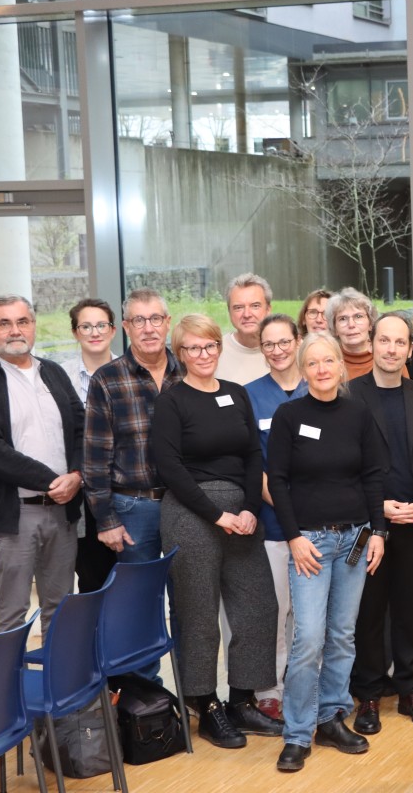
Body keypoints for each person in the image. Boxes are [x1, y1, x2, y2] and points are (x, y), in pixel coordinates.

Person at [150, 314, 280, 749]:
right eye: (191, 348)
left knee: (257, 605)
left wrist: (247, 508)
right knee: (199, 614)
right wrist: (215, 514)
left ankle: (243, 701)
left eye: (208, 346)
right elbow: (169, 466)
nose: (202, 355)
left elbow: (251, 455)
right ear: (179, 353)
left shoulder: (236, 394)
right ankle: (205, 707)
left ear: (218, 349)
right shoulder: (172, 400)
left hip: (242, 516)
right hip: (190, 513)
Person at [267, 333, 388, 771]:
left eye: (329, 361)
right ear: (303, 369)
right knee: (308, 639)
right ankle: (297, 734)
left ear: (341, 366)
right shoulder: (288, 415)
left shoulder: (358, 414)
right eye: (313, 363)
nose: (321, 369)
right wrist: (294, 537)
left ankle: (332, 717)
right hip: (311, 544)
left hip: (355, 540)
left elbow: (374, 475)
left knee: (341, 635)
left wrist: (378, 531)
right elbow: (277, 480)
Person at [349, 314, 413, 736]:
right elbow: (346, 464)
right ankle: (369, 695)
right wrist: (381, 507)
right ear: (372, 344)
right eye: (384, 340)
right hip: (371, 525)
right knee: (369, 613)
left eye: (399, 342)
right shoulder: (350, 395)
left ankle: (411, 690)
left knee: (410, 611)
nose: (391, 349)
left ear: (410, 348)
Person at [0, 294, 84, 635]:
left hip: (63, 511)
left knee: (60, 608)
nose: (15, 330)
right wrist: (53, 481)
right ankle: (7, 689)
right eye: (4, 323)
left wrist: (76, 475)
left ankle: (58, 688)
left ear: (33, 326)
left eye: (22, 321)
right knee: (12, 614)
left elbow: (80, 427)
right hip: (15, 516)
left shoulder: (53, 372)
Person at [84, 288, 184, 681]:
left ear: (167, 323)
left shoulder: (187, 373)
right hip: (133, 509)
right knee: (139, 605)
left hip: (184, 506)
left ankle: (195, 695)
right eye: (138, 320)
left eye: (155, 318)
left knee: (187, 604)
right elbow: (94, 458)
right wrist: (105, 519)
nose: (148, 328)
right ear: (125, 327)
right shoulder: (107, 379)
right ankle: (148, 703)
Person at [244, 314, 309, 723]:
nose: (278, 350)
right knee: (276, 609)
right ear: (261, 348)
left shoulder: (318, 387)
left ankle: (305, 688)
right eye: (269, 344)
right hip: (273, 523)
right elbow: (254, 465)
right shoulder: (249, 396)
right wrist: (287, 512)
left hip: (318, 524)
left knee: (308, 615)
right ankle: (270, 690)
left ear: (297, 340)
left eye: (285, 341)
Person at [60, 298, 118, 593]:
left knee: (126, 578)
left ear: (113, 330)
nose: (94, 332)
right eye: (86, 326)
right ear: (75, 332)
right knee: (92, 578)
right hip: (81, 494)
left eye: (101, 325)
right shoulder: (59, 378)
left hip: (124, 491)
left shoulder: (131, 372)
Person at [216, 273, 274, 384]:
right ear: (229, 312)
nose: (247, 314)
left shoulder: (287, 350)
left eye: (255, 306)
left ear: (268, 310)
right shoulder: (214, 352)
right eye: (238, 307)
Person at [328, 287, 378, 380]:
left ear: (370, 323)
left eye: (358, 316)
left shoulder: (387, 358)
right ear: (335, 329)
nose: (351, 325)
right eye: (343, 318)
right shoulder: (327, 363)